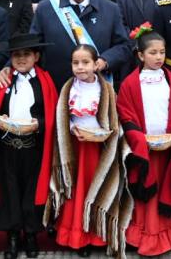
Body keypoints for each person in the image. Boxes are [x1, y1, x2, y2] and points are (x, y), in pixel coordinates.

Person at [0, 33, 58, 259]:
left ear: (36, 56)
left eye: (26, 54)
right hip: (7, 147)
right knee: (10, 192)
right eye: (16, 55)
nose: (21, 59)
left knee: (32, 191)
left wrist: (40, 124)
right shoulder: (3, 80)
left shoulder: (45, 81)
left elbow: (52, 113)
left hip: (34, 147)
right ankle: (13, 236)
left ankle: (31, 234)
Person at [46, 44, 128, 257]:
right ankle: (77, 235)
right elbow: (63, 119)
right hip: (76, 147)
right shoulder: (67, 89)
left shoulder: (106, 89)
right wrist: (74, 129)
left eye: (85, 62)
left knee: (97, 188)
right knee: (77, 189)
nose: (80, 67)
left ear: (96, 64)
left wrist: (104, 133)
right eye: (76, 63)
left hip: (99, 149)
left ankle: (96, 235)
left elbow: (113, 119)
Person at [116, 26, 171, 256]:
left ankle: (168, 231)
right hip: (144, 149)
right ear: (140, 55)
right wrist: (139, 138)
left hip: (167, 147)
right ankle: (143, 233)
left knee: (167, 185)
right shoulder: (130, 83)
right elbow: (126, 113)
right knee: (146, 191)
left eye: (162, 52)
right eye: (153, 53)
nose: (159, 57)